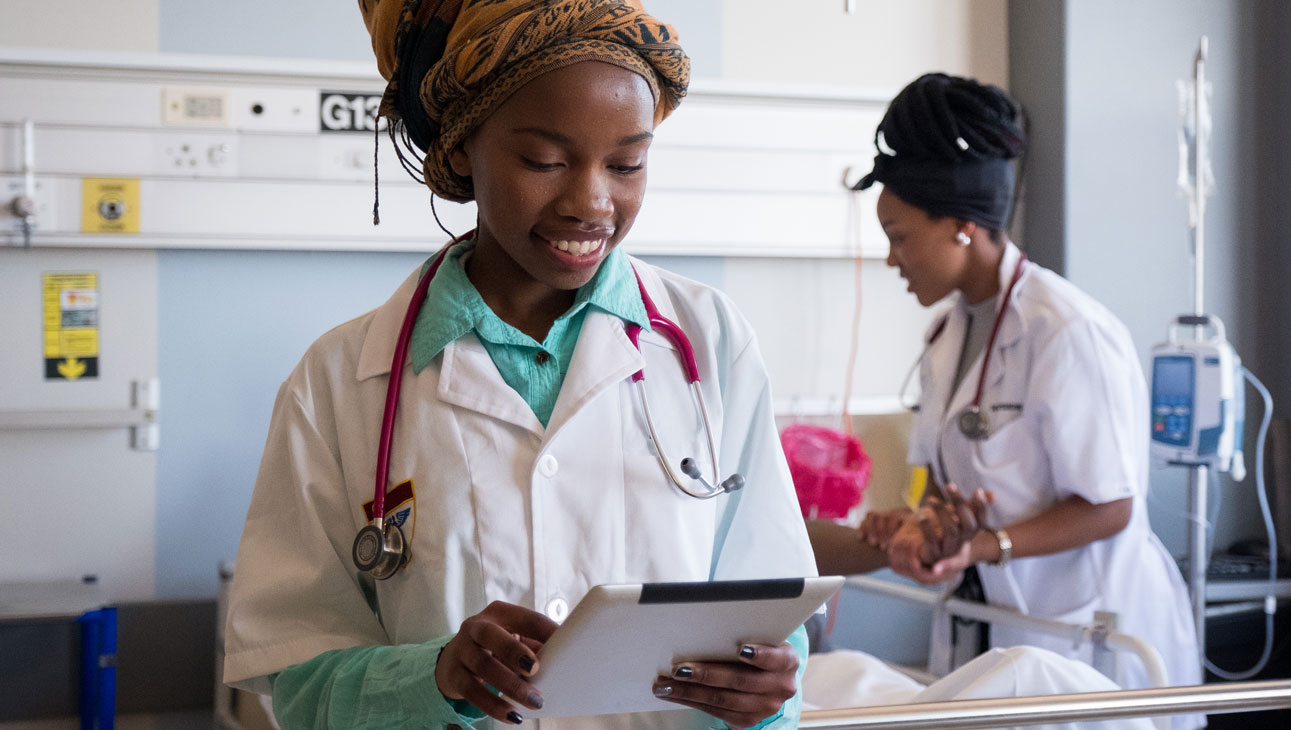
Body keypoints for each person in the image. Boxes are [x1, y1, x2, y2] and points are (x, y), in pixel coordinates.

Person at [222, 2, 816, 729]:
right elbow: (297, 678)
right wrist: (433, 676)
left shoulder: (712, 344)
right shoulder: (339, 383)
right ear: (464, 146)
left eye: (627, 163)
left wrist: (766, 691)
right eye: (545, 161)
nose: (592, 201)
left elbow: (773, 608)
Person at [850, 73, 1202, 728]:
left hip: (1093, 629)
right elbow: (935, 475)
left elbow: (1111, 505)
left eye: (900, 236)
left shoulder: (1069, 332)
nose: (892, 258)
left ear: (959, 225)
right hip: (995, 622)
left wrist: (986, 547)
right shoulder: (947, 335)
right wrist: (915, 521)